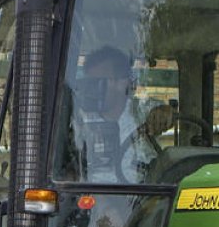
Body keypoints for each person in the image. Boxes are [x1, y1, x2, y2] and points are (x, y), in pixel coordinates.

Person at [72, 46, 172, 183]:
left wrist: (166, 113)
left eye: (98, 83)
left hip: (144, 195)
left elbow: (168, 114)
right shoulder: (79, 117)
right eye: (90, 83)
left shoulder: (141, 111)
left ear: (121, 82)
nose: (91, 90)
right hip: (96, 195)